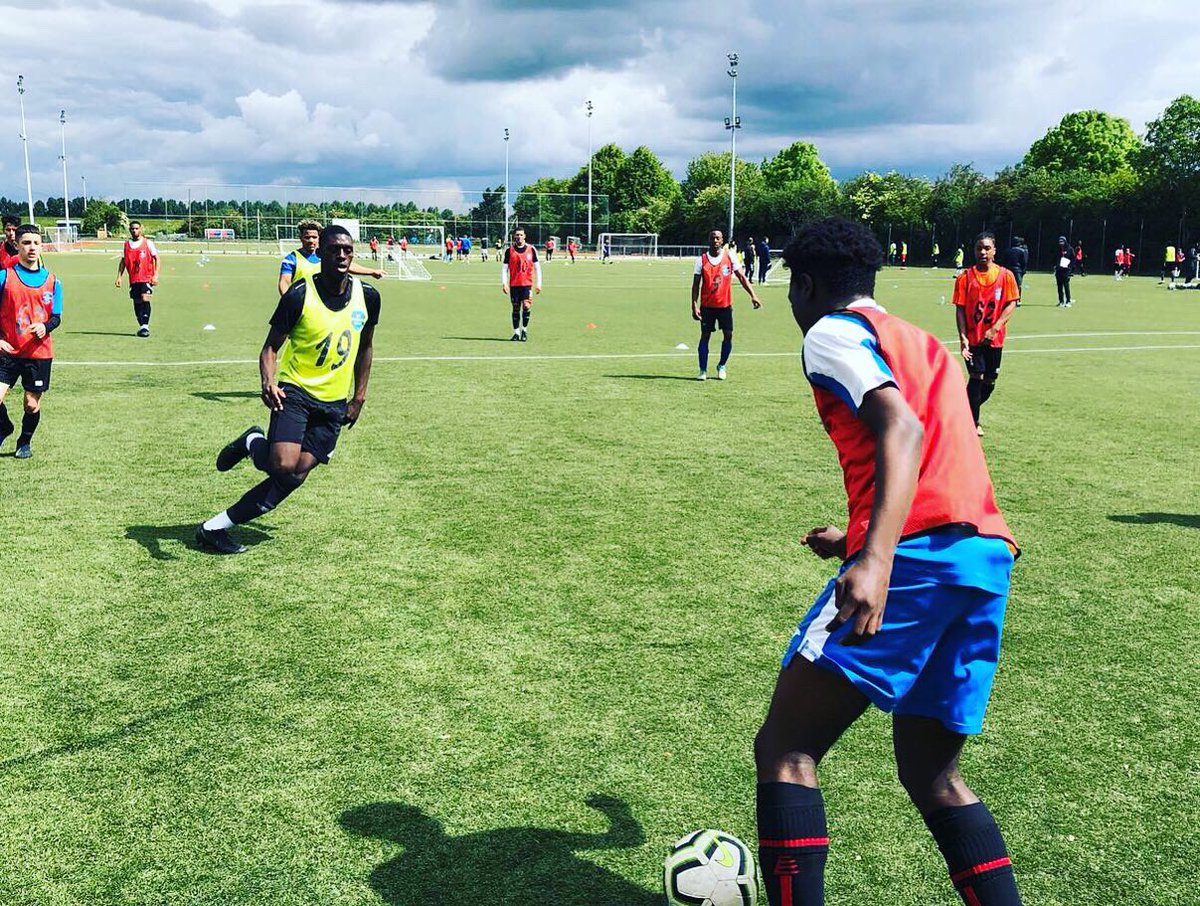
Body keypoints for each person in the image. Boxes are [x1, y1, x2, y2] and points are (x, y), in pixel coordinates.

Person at [756, 216, 1022, 906]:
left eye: (792, 289)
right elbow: (939, 458)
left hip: (916, 562)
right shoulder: (924, 343)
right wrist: (854, 538)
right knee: (933, 774)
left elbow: (899, 426)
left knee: (786, 751)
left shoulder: (830, 332)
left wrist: (874, 558)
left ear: (808, 285)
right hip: (981, 557)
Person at [196, 225, 380, 555]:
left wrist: (359, 396)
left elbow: (366, 347)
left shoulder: (368, 296)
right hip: (295, 392)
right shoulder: (299, 295)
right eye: (334, 249)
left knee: (294, 477)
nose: (341, 255)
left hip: (334, 402)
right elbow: (270, 349)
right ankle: (253, 442)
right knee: (283, 464)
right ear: (320, 253)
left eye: (347, 250)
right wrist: (268, 381)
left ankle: (214, 528)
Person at [0, 225, 62, 460]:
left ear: (41, 245)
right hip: (7, 351)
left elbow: (56, 317)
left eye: (36, 243)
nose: (32, 247)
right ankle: (4, 426)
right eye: (26, 243)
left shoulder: (54, 282)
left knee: (31, 405)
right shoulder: (4, 277)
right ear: (17, 246)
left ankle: (24, 442)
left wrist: (45, 327)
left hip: (38, 353)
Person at [954, 232, 1020, 435]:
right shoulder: (965, 277)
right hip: (974, 339)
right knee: (977, 375)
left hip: (995, 340)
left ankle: (959, 411)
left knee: (990, 381)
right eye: (979, 248)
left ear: (994, 251)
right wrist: (963, 338)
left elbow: (1011, 303)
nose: (982, 252)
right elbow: (960, 309)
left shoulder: (1005, 276)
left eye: (987, 248)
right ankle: (973, 423)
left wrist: (995, 327)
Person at [690, 228, 762, 381]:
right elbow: (696, 285)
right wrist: (694, 305)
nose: (715, 241)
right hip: (707, 307)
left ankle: (722, 365)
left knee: (728, 335)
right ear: (709, 240)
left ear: (722, 241)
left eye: (718, 238)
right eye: (712, 238)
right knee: (705, 336)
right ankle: (702, 370)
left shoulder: (730, 256)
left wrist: (753, 295)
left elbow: (741, 277)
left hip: (724, 306)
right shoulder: (701, 260)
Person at [279, 220, 381, 296]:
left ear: (319, 238)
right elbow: (284, 282)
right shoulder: (292, 259)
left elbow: (347, 265)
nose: (311, 240)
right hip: (301, 303)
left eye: (314, 237)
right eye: (307, 237)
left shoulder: (326, 255)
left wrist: (372, 272)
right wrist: (289, 301)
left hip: (325, 301)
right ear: (301, 238)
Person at [115, 220, 158, 337]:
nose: (135, 231)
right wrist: (119, 276)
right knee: (137, 302)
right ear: (130, 230)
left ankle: (145, 327)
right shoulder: (126, 245)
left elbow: (157, 258)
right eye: (132, 229)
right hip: (133, 279)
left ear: (140, 229)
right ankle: (141, 324)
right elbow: (123, 261)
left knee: (145, 298)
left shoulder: (148, 243)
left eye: (137, 228)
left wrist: (156, 275)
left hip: (146, 277)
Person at [501, 227, 542, 341]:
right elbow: (504, 269)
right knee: (515, 307)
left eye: (521, 235)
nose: (519, 237)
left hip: (527, 284)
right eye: (517, 235)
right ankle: (516, 333)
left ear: (524, 236)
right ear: (514, 236)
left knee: (526, 306)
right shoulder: (510, 251)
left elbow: (537, 267)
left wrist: (539, 284)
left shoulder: (531, 249)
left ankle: (524, 330)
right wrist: (504, 283)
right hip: (514, 284)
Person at [1003, 237, 1028, 307]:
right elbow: (1024, 262)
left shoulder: (1007, 251)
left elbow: (1004, 261)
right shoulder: (1022, 251)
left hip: (1008, 270)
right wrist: (1023, 270)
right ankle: (1018, 300)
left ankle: (1007, 300)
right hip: (1018, 270)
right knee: (1018, 286)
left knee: (1008, 285)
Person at [1053, 236, 1073, 307]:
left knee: (1066, 286)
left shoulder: (1070, 249)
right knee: (1059, 287)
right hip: (1059, 271)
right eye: (1060, 242)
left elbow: (1073, 260)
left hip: (1066, 271)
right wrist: (1055, 266)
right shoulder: (1057, 250)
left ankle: (1068, 301)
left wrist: (1070, 269)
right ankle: (1061, 301)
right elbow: (1055, 259)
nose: (1061, 244)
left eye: (1062, 242)